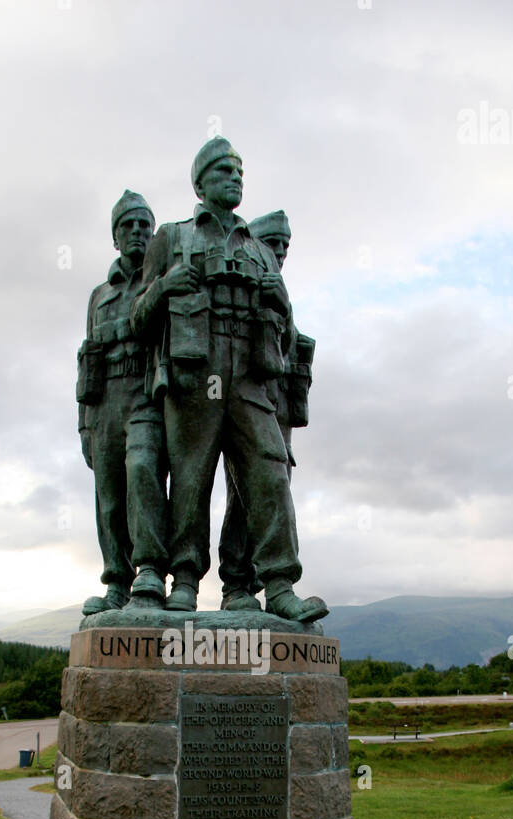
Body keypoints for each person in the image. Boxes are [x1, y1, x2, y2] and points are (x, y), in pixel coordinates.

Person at [129, 138, 327, 622]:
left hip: (249, 376)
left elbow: (286, 322)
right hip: (196, 371)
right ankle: (185, 581)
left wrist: (281, 298)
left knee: (269, 469)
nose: (234, 178)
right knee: (191, 478)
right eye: (222, 171)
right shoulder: (171, 239)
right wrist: (161, 288)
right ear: (199, 184)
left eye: (238, 171)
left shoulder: (259, 248)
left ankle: (276, 585)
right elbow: (139, 321)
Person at [77, 190, 170, 615]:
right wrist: (84, 424)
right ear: (115, 237)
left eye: (144, 226)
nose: (137, 232)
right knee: (109, 494)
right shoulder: (99, 295)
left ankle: (150, 570)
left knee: (142, 470)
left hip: (144, 392)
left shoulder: (160, 279)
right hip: (104, 403)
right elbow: (87, 359)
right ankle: (116, 581)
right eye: (128, 226)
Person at [218, 209, 315, 609]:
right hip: (235, 395)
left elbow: (288, 349)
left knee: (272, 485)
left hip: (276, 410)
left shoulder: (280, 294)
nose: (279, 253)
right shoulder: (242, 284)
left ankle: (265, 583)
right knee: (241, 497)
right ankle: (237, 583)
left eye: (285, 247)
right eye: (273, 244)